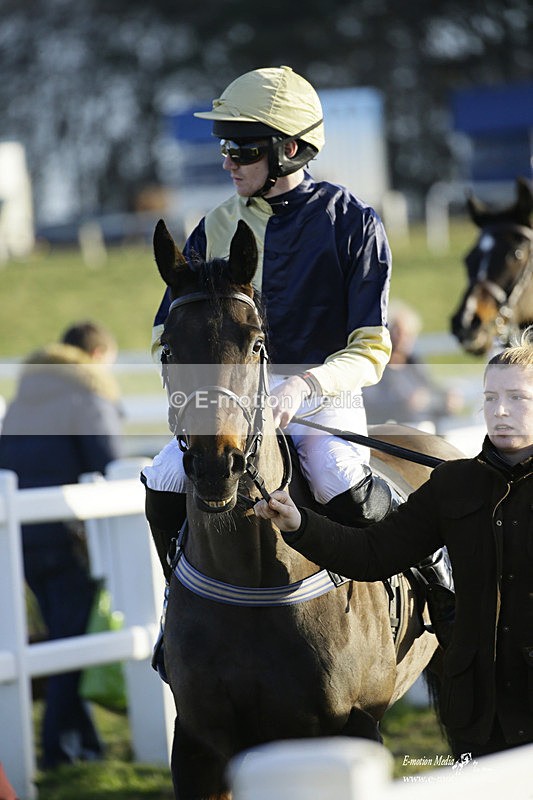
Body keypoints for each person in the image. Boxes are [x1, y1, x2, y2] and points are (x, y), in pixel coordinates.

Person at [142, 66, 451, 601]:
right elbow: (164, 330)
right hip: (230, 399)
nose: (227, 162)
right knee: (165, 477)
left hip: (319, 395)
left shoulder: (353, 222)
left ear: (288, 149)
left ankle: (437, 575)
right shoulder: (214, 225)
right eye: (225, 149)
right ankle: (181, 599)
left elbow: (372, 348)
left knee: (334, 474)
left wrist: (303, 385)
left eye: (241, 149)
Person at [254, 326, 533, 760]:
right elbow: (373, 555)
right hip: (479, 716)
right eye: (491, 398)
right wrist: (298, 523)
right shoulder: (454, 484)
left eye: (517, 398)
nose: (500, 411)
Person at [0, 321, 123, 768]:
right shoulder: (87, 397)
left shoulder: (22, 401)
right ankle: (58, 748)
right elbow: (111, 461)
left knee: (60, 640)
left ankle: (82, 743)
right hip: (68, 537)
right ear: (95, 357)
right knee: (73, 642)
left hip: (21, 537)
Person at [363, 299, 464, 427]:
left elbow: (431, 396)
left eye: (409, 334)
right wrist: (403, 405)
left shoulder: (415, 365)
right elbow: (369, 404)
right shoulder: (375, 366)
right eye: (399, 332)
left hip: (424, 432)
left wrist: (447, 403)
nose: (404, 339)